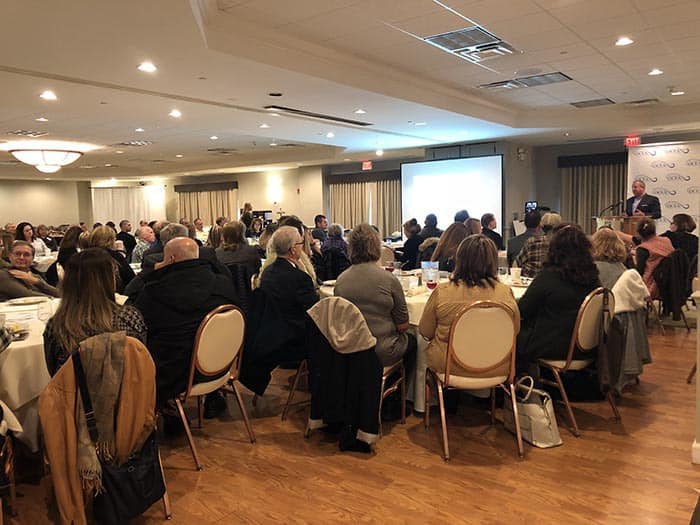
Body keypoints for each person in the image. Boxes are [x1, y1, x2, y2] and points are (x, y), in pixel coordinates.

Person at [133, 237, 239, 406]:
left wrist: (151, 273)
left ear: (171, 259)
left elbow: (140, 326)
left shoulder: (154, 290)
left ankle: (166, 413)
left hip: (172, 373)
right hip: (218, 366)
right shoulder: (223, 284)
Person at [420, 235, 519, 376]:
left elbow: (425, 331)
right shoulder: (505, 292)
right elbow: (514, 330)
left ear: (459, 259)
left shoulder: (443, 292)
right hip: (496, 366)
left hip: (449, 367)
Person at [240, 226, 319, 395]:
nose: (302, 246)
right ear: (293, 250)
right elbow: (314, 311)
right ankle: (322, 392)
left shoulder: (267, 272)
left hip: (271, 334)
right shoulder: (300, 278)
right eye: (300, 243)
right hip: (292, 340)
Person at [43, 248, 147, 376]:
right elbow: (140, 362)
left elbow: (53, 372)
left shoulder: (56, 326)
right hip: (127, 392)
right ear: (109, 279)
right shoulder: (129, 318)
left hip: (74, 393)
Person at [516, 225, 601, 369]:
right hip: (587, 348)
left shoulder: (549, 277)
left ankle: (514, 380)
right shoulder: (593, 278)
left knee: (511, 332)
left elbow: (522, 310)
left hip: (554, 347)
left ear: (554, 250)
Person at [335, 223, 415, 367]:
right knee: (413, 341)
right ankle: (405, 388)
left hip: (350, 350)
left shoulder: (341, 280)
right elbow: (403, 325)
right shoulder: (388, 279)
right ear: (376, 246)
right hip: (382, 351)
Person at [618, 218, 674, 298]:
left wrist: (630, 260)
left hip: (650, 286)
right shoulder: (666, 240)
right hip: (670, 283)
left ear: (638, 233)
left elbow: (638, 273)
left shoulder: (643, 249)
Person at [515, 212, 562, 278]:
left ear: (541, 225)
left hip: (530, 281)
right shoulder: (563, 245)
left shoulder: (531, 242)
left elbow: (517, 263)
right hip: (555, 282)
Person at [89, 225, 135, 293]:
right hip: (114, 294)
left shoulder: (84, 256)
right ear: (111, 240)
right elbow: (130, 278)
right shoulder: (115, 256)